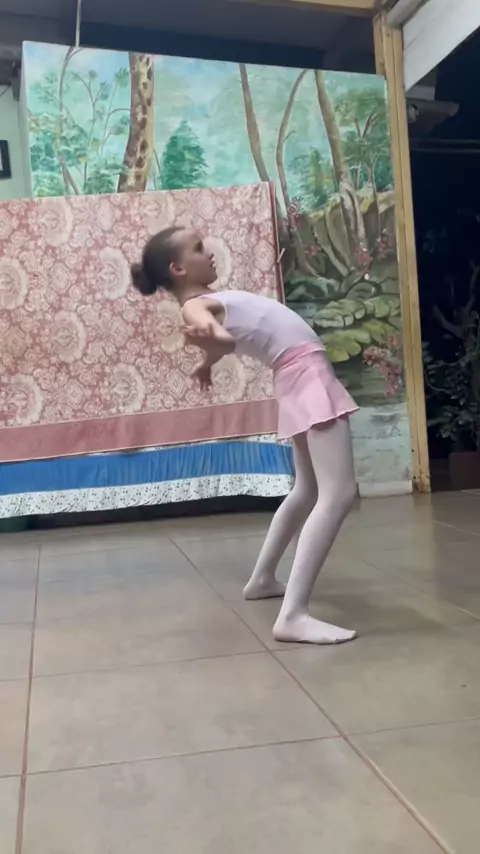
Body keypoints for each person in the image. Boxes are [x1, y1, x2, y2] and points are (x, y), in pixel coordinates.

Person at [132, 225, 359, 645]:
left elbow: (221, 338)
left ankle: (262, 579)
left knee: (308, 490)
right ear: (178, 269)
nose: (209, 252)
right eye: (198, 248)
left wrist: (207, 362)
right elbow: (216, 333)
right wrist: (215, 342)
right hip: (305, 375)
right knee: (339, 493)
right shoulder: (195, 308)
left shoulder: (204, 303)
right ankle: (293, 615)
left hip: (296, 375)